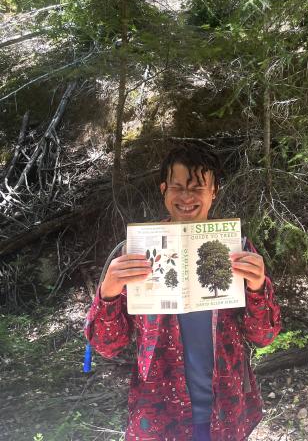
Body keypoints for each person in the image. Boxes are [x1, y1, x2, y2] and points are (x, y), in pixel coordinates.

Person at [84, 143, 281, 441]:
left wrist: (256, 287)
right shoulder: (136, 251)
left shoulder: (236, 250)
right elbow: (107, 345)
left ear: (214, 191)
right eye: (177, 186)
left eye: (198, 187)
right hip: (159, 415)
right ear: (163, 189)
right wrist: (108, 294)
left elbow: (263, 336)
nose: (187, 197)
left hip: (225, 414)